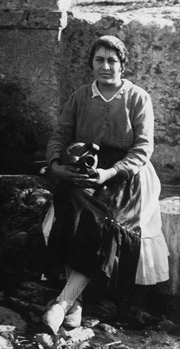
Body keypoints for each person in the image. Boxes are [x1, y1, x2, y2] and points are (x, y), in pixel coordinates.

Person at [41, 35, 169, 335]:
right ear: (92, 64)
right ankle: (76, 302)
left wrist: (109, 173)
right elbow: (60, 134)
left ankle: (63, 302)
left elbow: (142, 148)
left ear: (122, 64)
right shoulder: (81, 96)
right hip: (85, 167)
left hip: (127, 175)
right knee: (71, 205)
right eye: (99, 60)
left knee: (102, 219)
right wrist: (57, 165)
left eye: (112, 60)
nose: (106, 66)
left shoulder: (138, 98)